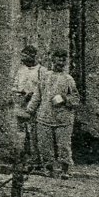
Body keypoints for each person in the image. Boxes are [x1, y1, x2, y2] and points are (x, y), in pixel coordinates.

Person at [27, 49, 80, 178]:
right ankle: (48, 168)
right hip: (44, 116)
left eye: (63, 60)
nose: (60, 63)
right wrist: (30, 110)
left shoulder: (68, 79)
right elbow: (37, 95)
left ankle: (65, 170)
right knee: (45, 145)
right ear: (52, 61)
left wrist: (64, 99)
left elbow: (76, 99)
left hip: (63, 119)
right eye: (57, 60)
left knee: (63, 146)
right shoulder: (45, 77)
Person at [10, 45, 42, 167]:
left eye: (26, 56)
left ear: (32, 56)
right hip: (21, 105)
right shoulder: (20, 70)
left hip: (35, 106)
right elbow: (15, 85)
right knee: (21, 132)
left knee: (34, 133)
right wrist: (18, 93)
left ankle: (36, 159)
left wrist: (32, 95)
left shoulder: (41, 71)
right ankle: (21, 157)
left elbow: (42, 89)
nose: (23, 59)